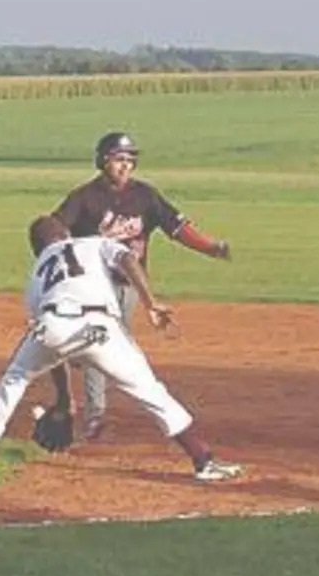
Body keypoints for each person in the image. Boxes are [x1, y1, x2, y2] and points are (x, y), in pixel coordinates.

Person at [0, 215, 244, 483]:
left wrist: (64, 401)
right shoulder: (93, 243)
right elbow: (126, 258)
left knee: (15, 378)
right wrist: (149, 301)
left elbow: (53, 350)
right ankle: (202, 460)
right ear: (65, 235)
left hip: (51, 325)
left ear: (37, 248)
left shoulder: (37, 272)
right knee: (149, 390)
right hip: (100, 329)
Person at [52, 131, 232, 440]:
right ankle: (95, 416)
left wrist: (209, 247)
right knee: (101, 341)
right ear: (102, 161)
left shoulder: (145, 196)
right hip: (93, 285)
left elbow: (175, 227)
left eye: (129, 160)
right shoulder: (83, 197)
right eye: (117, 159)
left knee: (98, 342)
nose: (124, 166)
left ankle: (78, 356)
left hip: (129, 285)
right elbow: (54, 231)